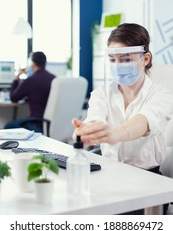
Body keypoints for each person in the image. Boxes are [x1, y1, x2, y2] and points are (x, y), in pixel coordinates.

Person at [72, 23, 173, 214]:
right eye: (113, 59)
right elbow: (95, 119)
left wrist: (115, 133)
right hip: (110, 178)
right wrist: (88, 131)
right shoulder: (101, 94)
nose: (118, 66)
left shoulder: (163, 95)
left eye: (125, 59)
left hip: (148, 183)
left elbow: (145, 121)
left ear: (145, 58)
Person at [4, 51, 55, 132]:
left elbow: (13, 97)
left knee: (9, 126)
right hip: (51, 124)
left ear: (33, 64)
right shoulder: (54, 78)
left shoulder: (30, 80)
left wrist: (17, 77)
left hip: (37, 124)